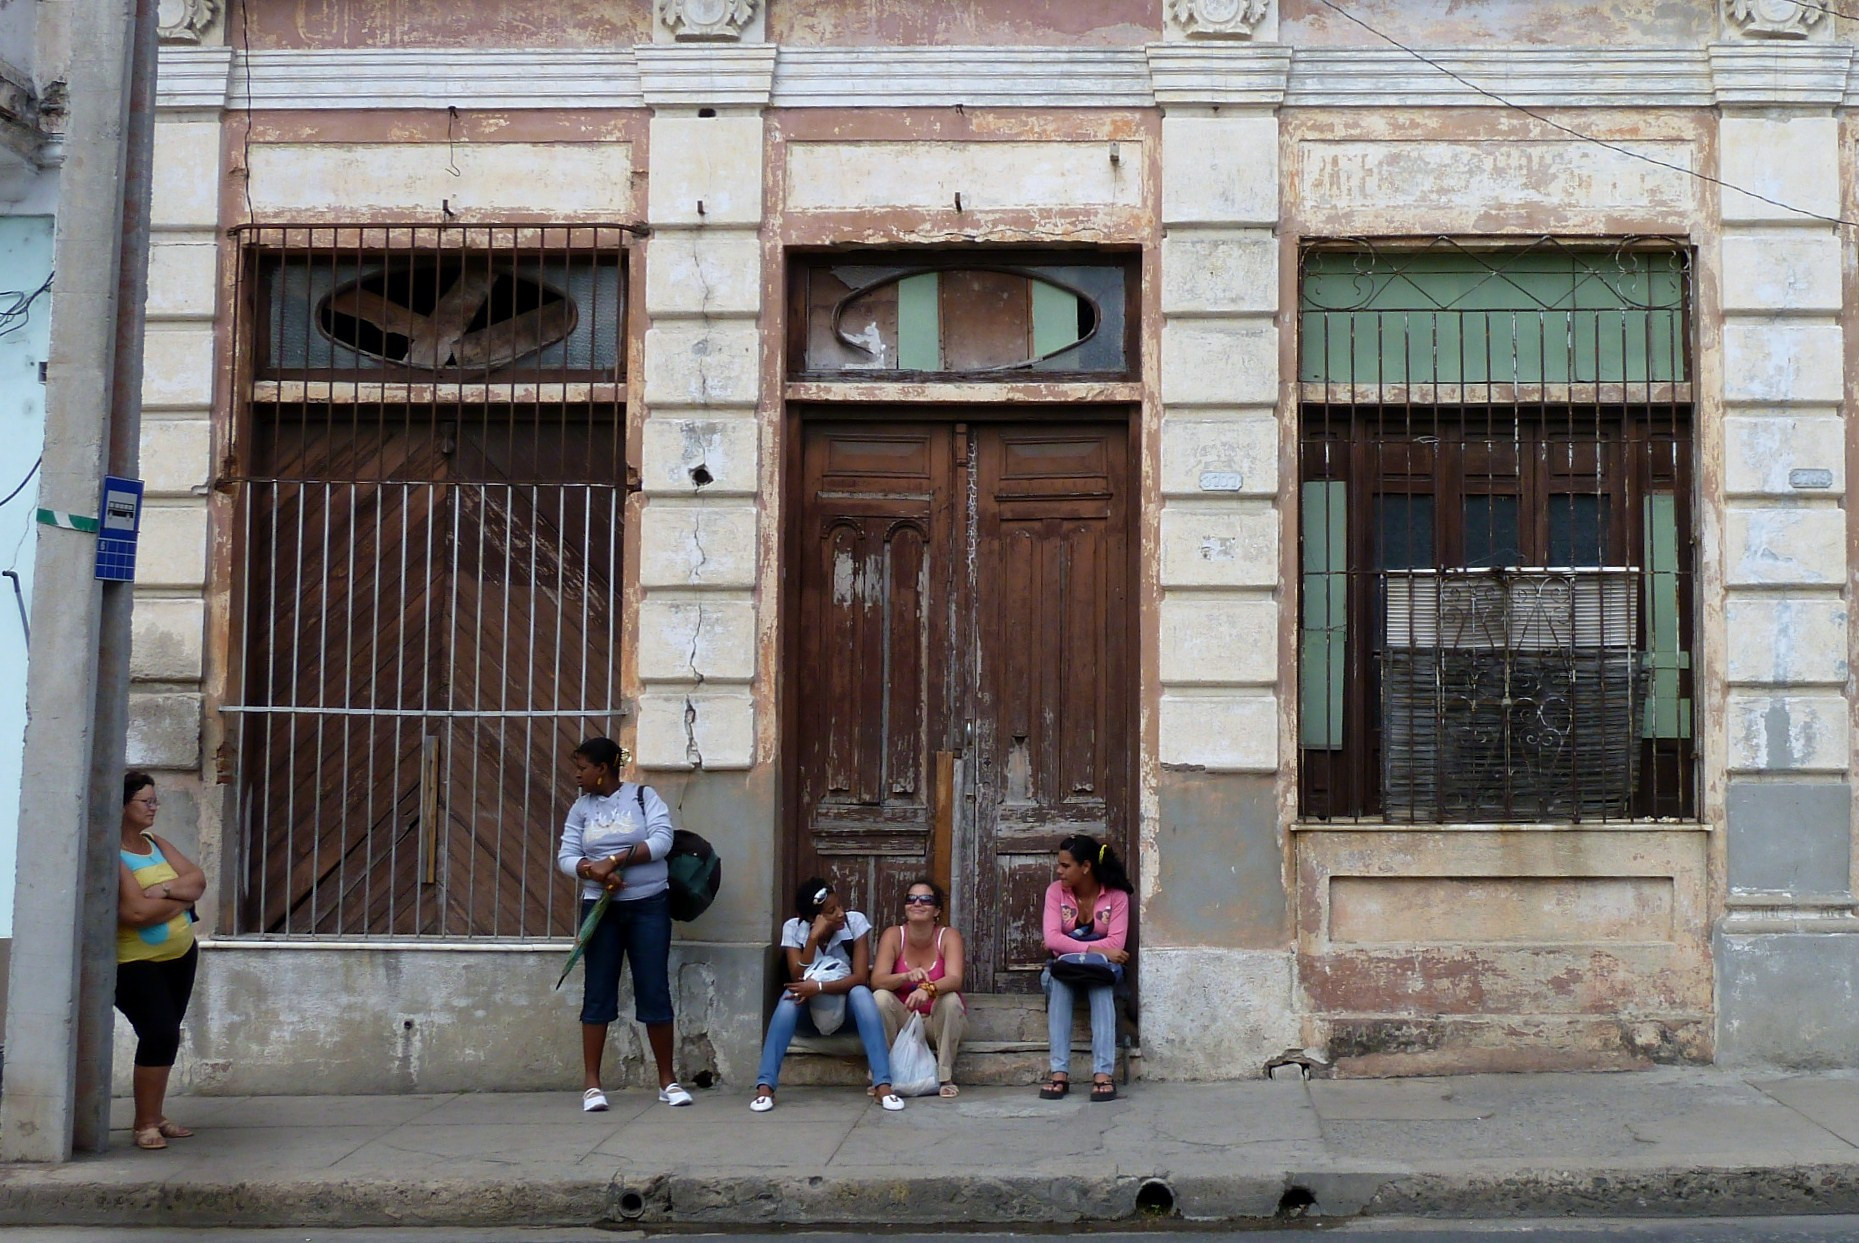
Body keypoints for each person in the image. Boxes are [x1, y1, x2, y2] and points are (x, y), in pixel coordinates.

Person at [557, 737, 694, 1111]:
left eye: (583, 767)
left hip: (649, 906)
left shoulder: (643, 797)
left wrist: (614, 861)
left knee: (654, 987)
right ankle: (592, 1086)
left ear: (602, 769)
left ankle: (668, 1081)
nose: (577, 775)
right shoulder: (580, 809)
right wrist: (592, 871)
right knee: (598, 990)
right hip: (600, 909)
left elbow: (663, 841)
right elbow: (566, 856)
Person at [750, 877, 903, 1113]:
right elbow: (797, 977)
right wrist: (812, 938)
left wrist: (819, 988)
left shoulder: (855, 923)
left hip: (847, 1014)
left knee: (862, 993)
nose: (841, 913)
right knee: (789, 999)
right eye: (832, 911)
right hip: (809, 1017)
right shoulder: (794, 928)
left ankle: (883, 1085)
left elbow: (860, 977)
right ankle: (765, 1087)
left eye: (839, 906)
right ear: (814, 917)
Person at [115, 771, 206, 1150]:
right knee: (159, 1031)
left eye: (155, 800)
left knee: (168, 1034)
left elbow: (197, 880)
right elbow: (134, 913)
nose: (154, 807)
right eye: (146, 801)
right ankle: (143, 1125)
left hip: (180, 956)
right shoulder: (111, 853)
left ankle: (155, 1115)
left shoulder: (155, 843)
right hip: (135, 961)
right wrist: (181, 902)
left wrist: (164, 891)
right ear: (121, 806)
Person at [1038, 834, 1132, 1103]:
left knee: (1101, 984)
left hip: (1099, 971)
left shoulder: (1116, 896)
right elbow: (1052, 939)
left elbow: (1118, 943)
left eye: (1066, 866)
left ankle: (1103, 1074)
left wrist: (1068, 945)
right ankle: (1059, 1072)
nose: (1059, 871)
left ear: (1086, 867)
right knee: (1059, 982)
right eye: (1060, 865)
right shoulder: (1055, 892)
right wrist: (1097, 950)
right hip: (1065, 968)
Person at [872, 878, 967, 1098]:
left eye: (926, 899)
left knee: (951, 999)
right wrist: (905, 976)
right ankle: (882, 1077)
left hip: (938, 1023)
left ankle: (944, 1076)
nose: (917, 903)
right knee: (880, 998)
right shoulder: (894, 935)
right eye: (911, 899)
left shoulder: (948, 936)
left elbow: (955, 979)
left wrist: (928, 988)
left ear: (936, 910)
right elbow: (877, 979)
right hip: (904, 1020)